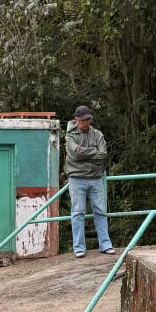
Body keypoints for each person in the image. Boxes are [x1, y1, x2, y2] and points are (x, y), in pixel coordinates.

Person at [65, 105, 114, 257]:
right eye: (84, 120)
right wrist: (93, 153)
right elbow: (75, 154)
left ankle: (105, 245)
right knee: (78, 213)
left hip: (96, 178)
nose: (87, 122)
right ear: (77, 120)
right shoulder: (70, 136)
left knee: (100, 211)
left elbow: (103, 154)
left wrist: (84, 155)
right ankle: (79, 248)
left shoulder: (97, 134)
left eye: (89, 119)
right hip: (76, 179)